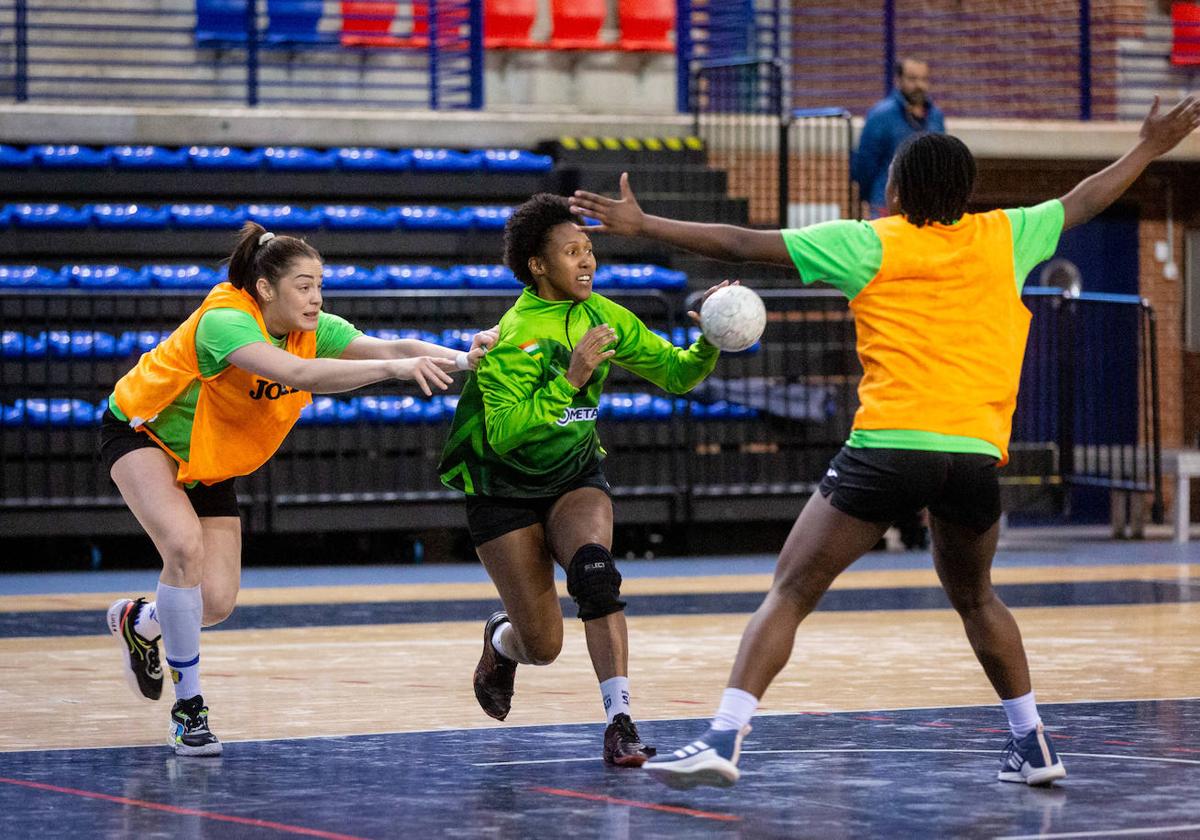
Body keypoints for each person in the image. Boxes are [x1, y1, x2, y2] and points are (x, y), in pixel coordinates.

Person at [570, 94, 1200, 787]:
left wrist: (641, 222)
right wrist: (1148, 147)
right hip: (973, 460)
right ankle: (1034, 745)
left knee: (791, 589)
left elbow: (741, 244)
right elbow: (1085, 197)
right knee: (978, 597)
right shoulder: (1007, 234)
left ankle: (723, 736)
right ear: (967, 193)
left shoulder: (869, 240)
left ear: (894, 189)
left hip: (889, 449)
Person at [103, 222, 496, 756]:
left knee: (213, 603)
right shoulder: (224, 321)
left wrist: (462, 359)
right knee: (182, 548)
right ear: (266, 288)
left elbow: (392, 343)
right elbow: (299, 373)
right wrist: (396, 371)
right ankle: (189, 711)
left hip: (209, 458)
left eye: (320, 286)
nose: (316, 298)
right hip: (144, 433)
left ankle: (139, 621)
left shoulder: (315, 328)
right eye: (304, 286)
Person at [437, 193, 729, 766]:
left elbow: (674, 374)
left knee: (595, 572)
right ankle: (502, 642)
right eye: (572, 252)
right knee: (542, 646)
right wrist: (571, 379)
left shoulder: (605, 314)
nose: (587, 261)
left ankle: (619, 722)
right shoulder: (513, 336)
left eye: (590, 249)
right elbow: (503, 433)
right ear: (538, 266)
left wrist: (709, 343)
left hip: (573, 477)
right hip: (503, 491)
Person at [852, 58, 945, 219]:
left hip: (927, 207)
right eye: (912, 79)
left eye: (923, 79)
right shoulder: (881, 115)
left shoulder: (936, 116)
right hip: (885, 206)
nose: (919, 85)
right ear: (899, 80)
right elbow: (866, 164)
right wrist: (869, 197)